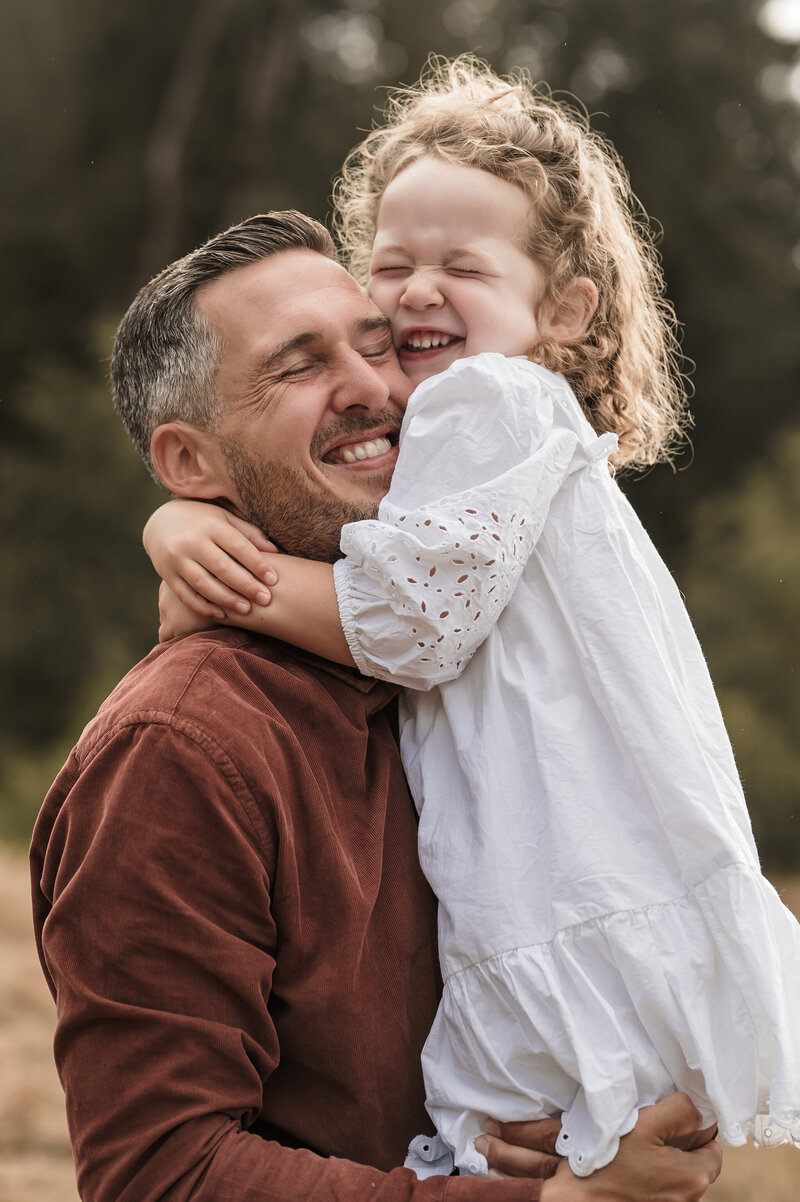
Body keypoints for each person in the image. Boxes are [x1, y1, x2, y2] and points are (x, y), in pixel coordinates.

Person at [145, 57, 800, 1186]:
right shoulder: (487, 444)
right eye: (389, 265)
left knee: (512, 1151)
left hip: (561, 891)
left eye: (460, 265)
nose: (412, 291)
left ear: (562, 310)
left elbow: (407, 622)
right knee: (558, 1156)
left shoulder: (481, 403)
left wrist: (209, 557)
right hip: (597, 896)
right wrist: (174, 529)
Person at [30, 210, 721, 1202]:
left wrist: (607, 1109)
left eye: (376, 343)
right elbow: (161, 1172)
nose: (373, 387)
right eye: (298, 366)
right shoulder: (178, 749)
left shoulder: (478, 665)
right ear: (190, 463)